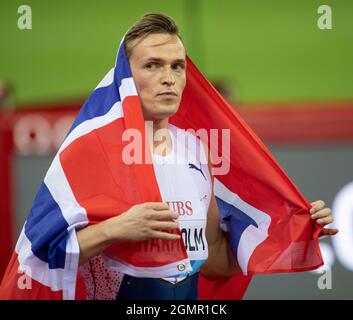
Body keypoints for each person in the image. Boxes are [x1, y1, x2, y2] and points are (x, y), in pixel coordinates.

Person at [74, 13, 338, 300]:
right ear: (124, 75)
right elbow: (42, 253)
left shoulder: (195, 150)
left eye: (177, 66)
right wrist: (116, 229)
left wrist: (294, 232)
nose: (168, 79)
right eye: (153, 65)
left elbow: (212, 256)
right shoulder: (95, 150)